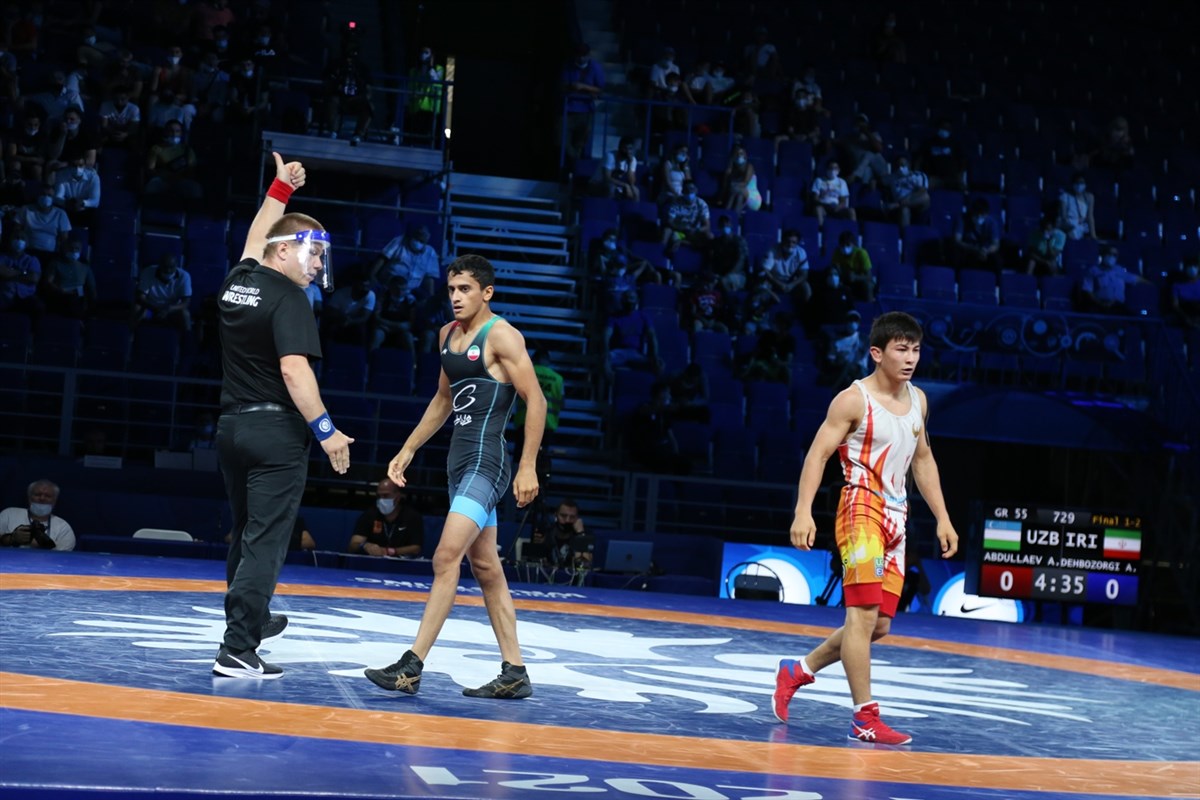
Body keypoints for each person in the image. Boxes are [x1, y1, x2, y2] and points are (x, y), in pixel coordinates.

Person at [365, 254, 545, 699]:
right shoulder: (447, 335)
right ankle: (515, 672)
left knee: (446, 557)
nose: (456, 298)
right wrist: (408, 448)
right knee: (485, 567)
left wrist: (527, 465)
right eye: (451, 290)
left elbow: (536, 400)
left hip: (488, 462)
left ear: (487, 292)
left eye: (465, 289)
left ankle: (411, 667)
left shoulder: (501, 335)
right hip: (459, 464)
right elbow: (443, 400)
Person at [773, 311, 958, 744]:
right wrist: (803, 512)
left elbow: (923, 460)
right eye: (901, 349)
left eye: (915, 350)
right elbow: (818, 455)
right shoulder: (852, 400)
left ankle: (797, 670)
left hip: (898, 516)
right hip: (860, 509)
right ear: (877, 353)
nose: (910, 358)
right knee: (862, 614)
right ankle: (864, 718)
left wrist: (944, 517)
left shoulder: (919, 400)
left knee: (879, 626)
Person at [212, 152, 353, 679]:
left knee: (247, 532)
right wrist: (327, 431)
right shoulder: (291, 300)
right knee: (266, 541)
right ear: (286, 249)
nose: (318, 266)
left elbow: (256, 238)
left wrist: (279, 189)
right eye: (313, 254)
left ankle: (250, 617)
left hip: (232, 428)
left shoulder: (238, 281)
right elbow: (295, 371)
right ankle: (238, 647)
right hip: (276, 432)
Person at [347, 477, 423, 558]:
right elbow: (353, 545)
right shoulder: (370, 515)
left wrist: (388, 551)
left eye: (385, 495)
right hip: (373, 561)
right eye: (379, 496)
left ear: (398, 497)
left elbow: (416, 548)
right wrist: (364, 545)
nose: (381, 500)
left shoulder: (412, 517)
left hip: (401, 562)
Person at [0, 479, 76, 550]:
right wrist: (11, 538)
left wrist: (42, 543)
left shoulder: (63, 527)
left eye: (48, 496)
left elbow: (63, 556)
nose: (42, 498)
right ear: (29, 497)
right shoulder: (9, 514)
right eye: (37, 494)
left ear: (55, 500)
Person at [132, 253, 192, 332]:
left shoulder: (184, 276)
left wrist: (169, 309)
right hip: (151, 310)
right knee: (136, 309)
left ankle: (186, 338)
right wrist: (155, 308)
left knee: (185, 314)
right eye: (165, 267)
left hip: (171, 312)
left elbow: (186, 302)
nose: (168, 270)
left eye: (171, 267)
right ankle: (130, 335)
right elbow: (141, 297)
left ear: (176, 265)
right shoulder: (148, 271)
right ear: (159, 265)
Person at [830, 230, 875, 301]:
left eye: (848, 244)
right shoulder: (837, 252)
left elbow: (869, 276)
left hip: (860, 281)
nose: (845, 247)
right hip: (844, 281)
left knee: (868, 285)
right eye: (842, 245)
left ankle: (869, 305)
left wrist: (856, 277)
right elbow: (834, 268)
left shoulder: (861, 253)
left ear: (853, 244)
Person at [598, 136, 639, 201]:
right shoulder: (610, 156)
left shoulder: (633, 160)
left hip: (618, 185)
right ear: (620, 148)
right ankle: (608, 207)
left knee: (635, 191)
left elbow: (632, 182)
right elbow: (607, 178)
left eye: (630, 149)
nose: (627, 151)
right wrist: (624, 185)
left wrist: (629, 165)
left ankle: (633, 208)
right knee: (611, 188)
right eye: (625, 148)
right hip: (598, 183)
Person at [722, 145, 762, 213]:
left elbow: (745, 183)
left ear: (745, 155)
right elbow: (725, 185)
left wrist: (733, 185)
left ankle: (726, 211)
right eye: (737, 153)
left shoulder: (749, 167)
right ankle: (733, 215)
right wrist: (729, 167)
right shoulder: (733, 169)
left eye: (741, 153)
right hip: (739, 194)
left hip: (753, 197)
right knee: (739, 196)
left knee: (735, 189)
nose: (739, 155)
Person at [1171, 259, 1200, 327]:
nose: (1192, 269)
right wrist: (1185, 318)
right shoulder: (1177, 285)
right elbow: (1175, 305)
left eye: (1194, 266)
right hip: (1185, 314)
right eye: (1189, 266)